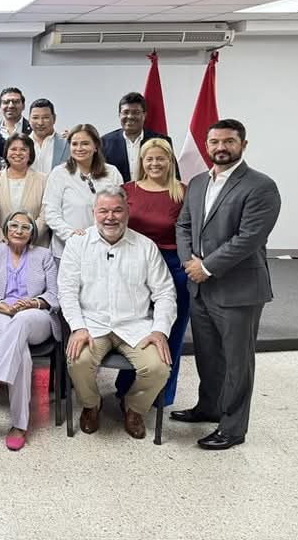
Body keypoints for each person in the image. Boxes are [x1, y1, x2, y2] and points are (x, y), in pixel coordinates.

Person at [175, 119, 281, 450]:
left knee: (237, 362)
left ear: (243, 145)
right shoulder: (197, 183)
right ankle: (209, 407)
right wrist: (190, 263)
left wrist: (207, 266)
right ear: (207, 145)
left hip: (238, 290)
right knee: (208, 355)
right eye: (215, 142)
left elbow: (250, 237)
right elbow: (183, 225)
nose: (221, 147)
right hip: (200, 287)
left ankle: (233, 429)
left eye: (229, 141)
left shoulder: (260, 186)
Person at [60, 188, 176, 439]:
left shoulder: (145, 246)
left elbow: (165, 293)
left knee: (159, 368)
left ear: (127, 212)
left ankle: (133, 407)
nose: (110, 217)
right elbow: (67, 291)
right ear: (94, 212)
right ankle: (92, 405)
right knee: (77, 360)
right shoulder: (78, 244)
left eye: (117, 210)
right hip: (92, 324)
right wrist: (77, 327)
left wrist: (159, 330)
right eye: (103, 211)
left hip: (136, 326)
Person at [0, 211, 59, 451]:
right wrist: (0, 305)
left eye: (25, 227)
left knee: (21, 320)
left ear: (32, 233)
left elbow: (54, 294)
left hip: (35, 317)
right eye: (14, 225)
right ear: (6, 229)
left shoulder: (44, 255)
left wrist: (34, 303)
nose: (19, 230)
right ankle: (20, 425)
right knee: (22, 355)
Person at [114, 138, 189, 407]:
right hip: (132, 266)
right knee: (133, 328)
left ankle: (160, 394)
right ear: (141, 162)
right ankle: (126, 387)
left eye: (160, 158)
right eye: (149, 159)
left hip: (172, 266)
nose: (155, 163)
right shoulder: (127, 190)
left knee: (170, 332)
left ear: (170, 161)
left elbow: (190, 231)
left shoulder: (182, 192)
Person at [43, 123, 123, 260]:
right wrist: (71, 234)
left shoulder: (112, 172)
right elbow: (50, 212)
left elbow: (121, 209)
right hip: (67, 250)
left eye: (85, 143)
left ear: (96, 146)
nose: (79, 148)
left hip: (104, 249)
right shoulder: (59, 173)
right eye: (74, 144)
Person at [100, 92, 172, 182]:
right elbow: (100, 177)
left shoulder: (161, 141)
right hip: (117, 191)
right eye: (126, 112)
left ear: (144, 115)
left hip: (154, 190)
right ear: (119, 115)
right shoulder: (105, 143)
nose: (130, 116)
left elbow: (173, 175)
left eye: (136, 112)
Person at [0, 133, 48, 246]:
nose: (18, 153)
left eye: (23, 149)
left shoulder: (43, 180)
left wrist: (29, 236)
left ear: (30, 154)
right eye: (13, 149)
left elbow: (45, 214)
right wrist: (2, 237)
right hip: (3, 244)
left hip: (35, 244)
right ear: (6, 153)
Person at [28, 98, 70, 175]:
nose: (40, 123)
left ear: (54, 118)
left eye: (46, 117)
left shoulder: (67, 143)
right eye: (35, 118)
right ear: (29, 119)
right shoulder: (21, 144)